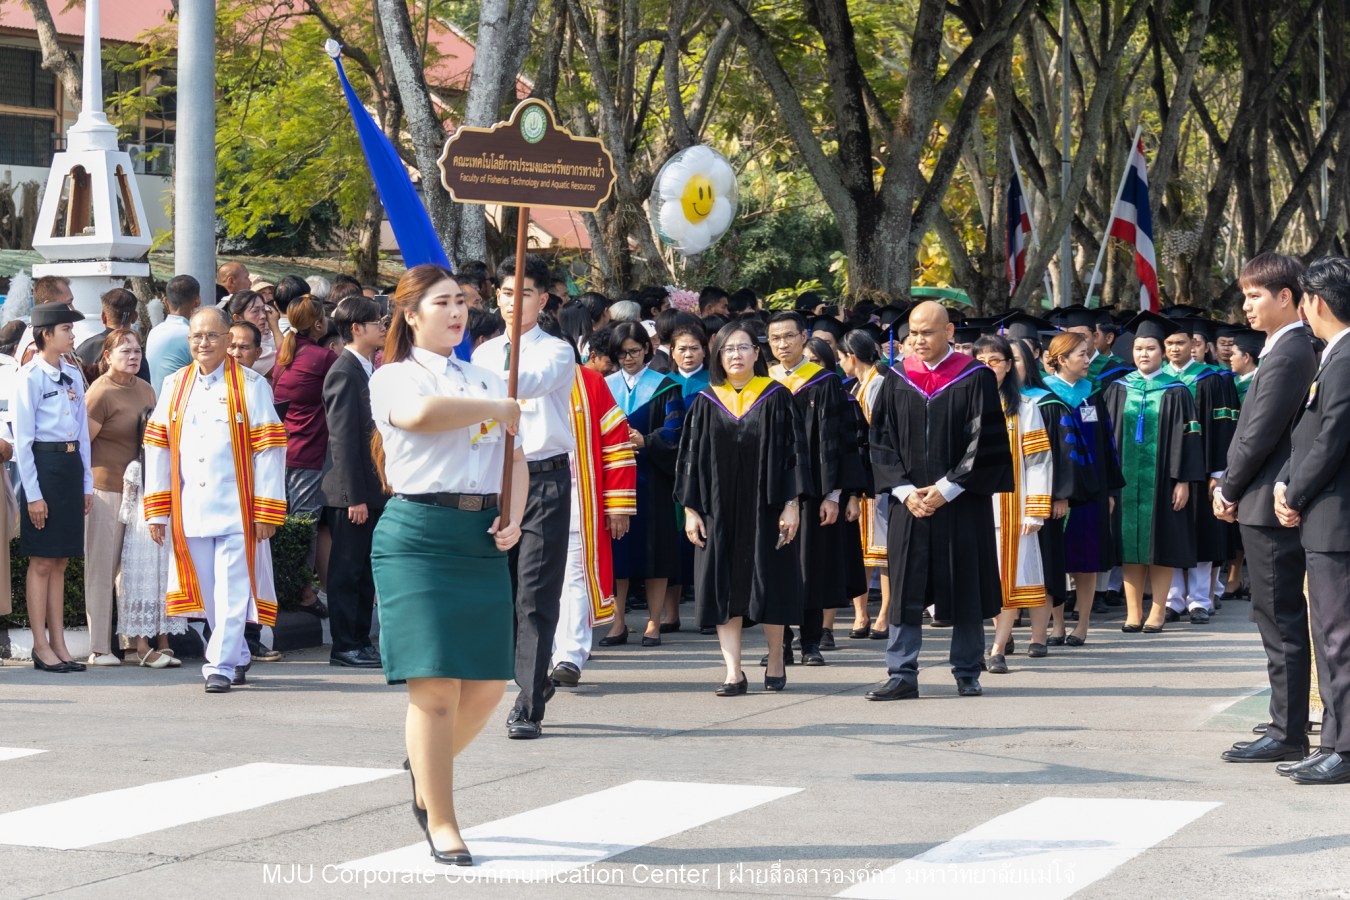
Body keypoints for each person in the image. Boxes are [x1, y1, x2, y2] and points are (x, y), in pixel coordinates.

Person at [368, 265, 524, 864]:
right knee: (434, 689)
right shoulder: (393, 378)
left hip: (479, 536)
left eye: (462, 302)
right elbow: (420, 417)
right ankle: (443, 819)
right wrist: (497, 406)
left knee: (485, 688)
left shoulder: (486, 379)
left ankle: (423, 770)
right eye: (442, 303)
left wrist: (514, 515)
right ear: (411, 314)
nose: (456, 313)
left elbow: (516, 458)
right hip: (418, 536)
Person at [865, 302, 1012, 701]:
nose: (918, 340)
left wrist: (947, 488)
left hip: (961, 501)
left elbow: (983, 443)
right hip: (908, 503)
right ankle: (901, 673)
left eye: (927, 332)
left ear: (949, 332)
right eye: (913, 332)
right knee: (904, 587)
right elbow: (881, 442)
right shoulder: (896, 377)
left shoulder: (975, 377)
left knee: (965, 583)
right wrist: (904, 491)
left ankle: (967, 671)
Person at [144, 307, 288, 692]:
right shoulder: (175, 385)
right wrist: (157, 510)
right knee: (207, 591)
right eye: (195, 336)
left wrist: (267, 509)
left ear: (228, 341)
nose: (202, 343)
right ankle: (238, 652)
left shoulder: (252, 385)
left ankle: (220, 665)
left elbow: (270, 451)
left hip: (237, 509)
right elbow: (157, 445)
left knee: (232, 587)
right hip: (190, 508)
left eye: (211, 336)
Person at [1215, 253, 1316, 765]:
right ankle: (1286, 719)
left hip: (1268, 504)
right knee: (1274, 616)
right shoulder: (1283, 347)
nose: (1247, 305)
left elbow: (1260, 434)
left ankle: (1288, 731)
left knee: (1280, 618)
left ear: (1286, 296)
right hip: (1260, 500)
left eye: (1256, 295)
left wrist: (1229, 488)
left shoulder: (1293, 350)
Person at [471, 254, 577, 740]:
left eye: (526, 293)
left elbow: (523, 388)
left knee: (535, 592)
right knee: (500, 591)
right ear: (498, 297)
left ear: (544, 298)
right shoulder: (483, 352)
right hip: (495, 479)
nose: (516, 302)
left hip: (545, 479)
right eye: (508, 293)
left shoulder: (556, 351)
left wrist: (475, 389)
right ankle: (522, 676)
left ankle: (530, 702)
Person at [675, 322, 808, 694]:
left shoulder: (776, 397)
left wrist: (791, 505)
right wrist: (690, 510)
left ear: (756, 353)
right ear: (719, 356)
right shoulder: (705, 401)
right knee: (723, 586)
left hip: (766, 510)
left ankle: (777, 658)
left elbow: (793, 455)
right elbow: (689, 460)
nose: (735, 354)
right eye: (728, 349)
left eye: (743, 347)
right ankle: (733, 670)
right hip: (718, 513)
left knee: (771, 582)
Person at [1273, 255, 1350, 784]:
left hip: (1336, 520)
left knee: (1337, 635)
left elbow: (1331, 441)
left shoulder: (1344, 360)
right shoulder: (1335, 356)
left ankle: (1342, 748)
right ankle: (1335, 739)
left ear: (1314, 303)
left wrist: (1293, 492)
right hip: (1325, 517)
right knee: (1332, 633)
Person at [766, 311, 863, 666]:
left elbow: (842, 441)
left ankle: (811, 641)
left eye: (789, 337)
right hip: (771, 493)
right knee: (775, 568)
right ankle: (780, 644)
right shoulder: (761, 382)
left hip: (814, 493)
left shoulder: (825, 382)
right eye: (775, 338)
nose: (782, 344)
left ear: (803, 338)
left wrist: (838, 494)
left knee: (810, 568)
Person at [1101, 312, 1204, 633]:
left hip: (1164, 480)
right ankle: (1133, 612)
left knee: (1162, 545)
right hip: (1125, 481)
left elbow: (1191, 439)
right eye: (1138, 349)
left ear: (1162, 352)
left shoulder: (1177, 391)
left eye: (1150, 349)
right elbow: (1105, 439)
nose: (1143, 354)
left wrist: (1184, 480)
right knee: (1129, 546)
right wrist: (1106, 484)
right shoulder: (1117, 389)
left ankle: (1158, 611)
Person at [12, 304, 94, 673]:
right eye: (66, 328)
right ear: (45, 333)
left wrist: (86, 484)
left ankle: (60, 643)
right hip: (42, 469)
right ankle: (40, 645)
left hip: (69, 468)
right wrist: (33, 495)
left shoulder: (74, 375)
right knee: (42, 560)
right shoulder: (28, 377)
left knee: (60, 560)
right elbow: (23, 442)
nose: (72, 334)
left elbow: (82, 436)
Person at [550, 361, 636, 686]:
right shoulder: (502, 374)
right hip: (524, 499)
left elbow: (616, 443)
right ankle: (541, 650)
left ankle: (569, 656)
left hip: (577, 498)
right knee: (535, 579)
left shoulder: (588, 382)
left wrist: (618, 503)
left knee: (574, 577)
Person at [600, 322, 685, 647]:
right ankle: (617, 622)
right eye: (622, 353)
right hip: (615, 482)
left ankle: (653, 622)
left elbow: (675, 433)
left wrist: (646, 441)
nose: (628, 358)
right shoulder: (605, 386)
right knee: (618, 554)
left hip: (654, 481)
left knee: (655, 554)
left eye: (634, 351)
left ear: (647, 350)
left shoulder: (666, 386)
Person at [973, 335, 1052, 673]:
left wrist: (1035, 509)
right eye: (982, 361)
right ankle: (997, 637)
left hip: (1012, 507)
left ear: (1009, 365)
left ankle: (997, 649)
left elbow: (1039, 461)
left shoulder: (1025, 408)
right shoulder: (964, 404)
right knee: (983, 578)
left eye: (996, 360)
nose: (989, 367)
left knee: (1008, 578)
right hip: (973, 503)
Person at [1040, 332, 1123, 645]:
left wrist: (1112, 490)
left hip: (1092, 490)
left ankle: (1083, 624)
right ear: (1062, 359)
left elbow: (1107, 443)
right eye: (1081, 355)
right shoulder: (1044, 395)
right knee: (1056, 559)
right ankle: (1057, 624)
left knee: (1086, 559)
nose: (1088, 360)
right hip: (1054, 490)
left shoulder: (1093, 393)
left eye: (1088, 354)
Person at [319, 296, 387, 668]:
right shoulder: (344, 371)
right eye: (376, 322)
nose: (382, 327)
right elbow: (342, 439)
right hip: (350, 493)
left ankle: (360, 639)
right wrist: (354, 497)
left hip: (369, 490)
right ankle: (345, 643)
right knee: (347, 570)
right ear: (356, 328)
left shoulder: (366, 368)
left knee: (364, 570)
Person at [83, 329, 157, 666]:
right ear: (107, 356)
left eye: (137, 350)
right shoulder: (99, 393)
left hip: (138, 492)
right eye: (125, 350)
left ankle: (131, 644)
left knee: (131, 570)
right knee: (102, 568)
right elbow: (83, 446)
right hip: (104, 490)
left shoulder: (146, 389)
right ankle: (100, 647)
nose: (133, 356)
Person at [1163, 319, 1239, 624]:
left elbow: (1225, 429)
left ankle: (1199, 600)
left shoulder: (1212, 380)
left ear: (1195, 346)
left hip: (1205, 468)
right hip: (1168, 471)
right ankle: (1173, 599)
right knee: (1171, 534)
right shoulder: (1158, 382)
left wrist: (1220, 471)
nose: (1175, 349)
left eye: (1182, 343)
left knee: (1203, 534)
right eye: (1169, 344)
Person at [272, 294, 337, 617]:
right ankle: (304, 591)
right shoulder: (321, 358)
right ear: (319, 322)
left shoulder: (284, 355)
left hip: (283, 449)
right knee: (304, 523)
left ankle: (291, 586)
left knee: (287, 523)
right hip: (308, 450)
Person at [116, 410, 185, 668]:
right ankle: (142, 645)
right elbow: (126, 509)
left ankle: (164, 640)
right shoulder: (135, 468)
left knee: (165, 583)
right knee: (143, 582)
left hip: (167, 531)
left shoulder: (174, 463)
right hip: (141, 532)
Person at [838, 329, 890, 639]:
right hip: (858, 478)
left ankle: (884, 613)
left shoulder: (880, 386)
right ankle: (861, 614)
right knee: (860, 548)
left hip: (879, 477)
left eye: (842, 358)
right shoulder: (858, 386)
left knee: (883, 550)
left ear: (851, 357)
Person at [75, 288, 143, 385]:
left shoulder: (85, 346)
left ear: (103, 317)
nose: (132, 355)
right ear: (135, 317)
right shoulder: (135, 351)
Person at [146, 275, 201, 395]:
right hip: (179, 406)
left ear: (165, 301)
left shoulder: (155, 332)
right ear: (197, 301)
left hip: (155, 405)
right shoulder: (192, 336)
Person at [229, 290, 284, 376]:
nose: (263, 316)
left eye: (263, 310)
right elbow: (286, 366)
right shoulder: (249, 347)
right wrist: (275, 328)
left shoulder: (264, 335)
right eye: (255, 311)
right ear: (237, 318)